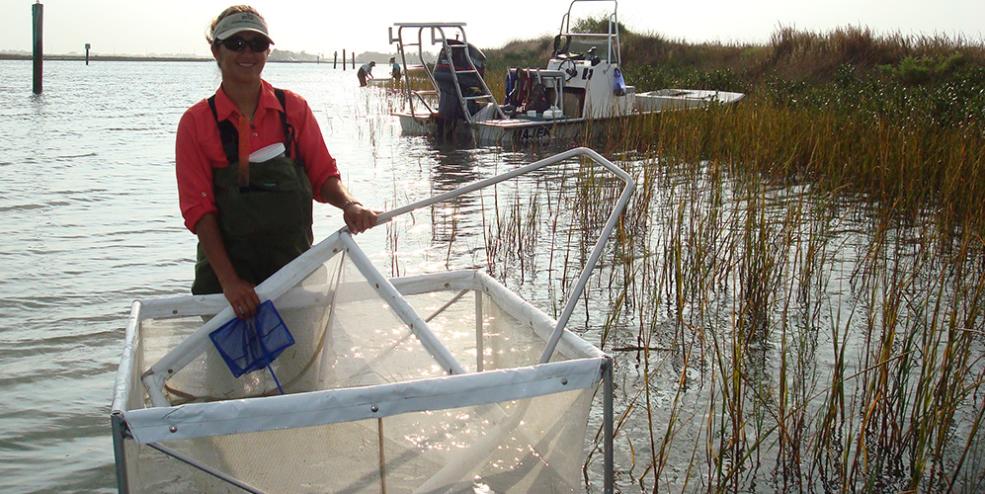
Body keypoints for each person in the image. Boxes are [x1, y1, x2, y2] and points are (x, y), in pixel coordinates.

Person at [176, 5, 378, 320]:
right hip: (225, 288)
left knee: (302, 367)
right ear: (216, 50)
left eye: (257, 44)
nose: (248, 53)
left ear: (267, 51)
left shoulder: (294, 109)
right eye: (236, 43)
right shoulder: (195, 123)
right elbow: (198, 211)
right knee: (229, 370)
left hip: (293, 277)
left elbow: (323, 174)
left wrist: (350, 204)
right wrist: (230, 283)